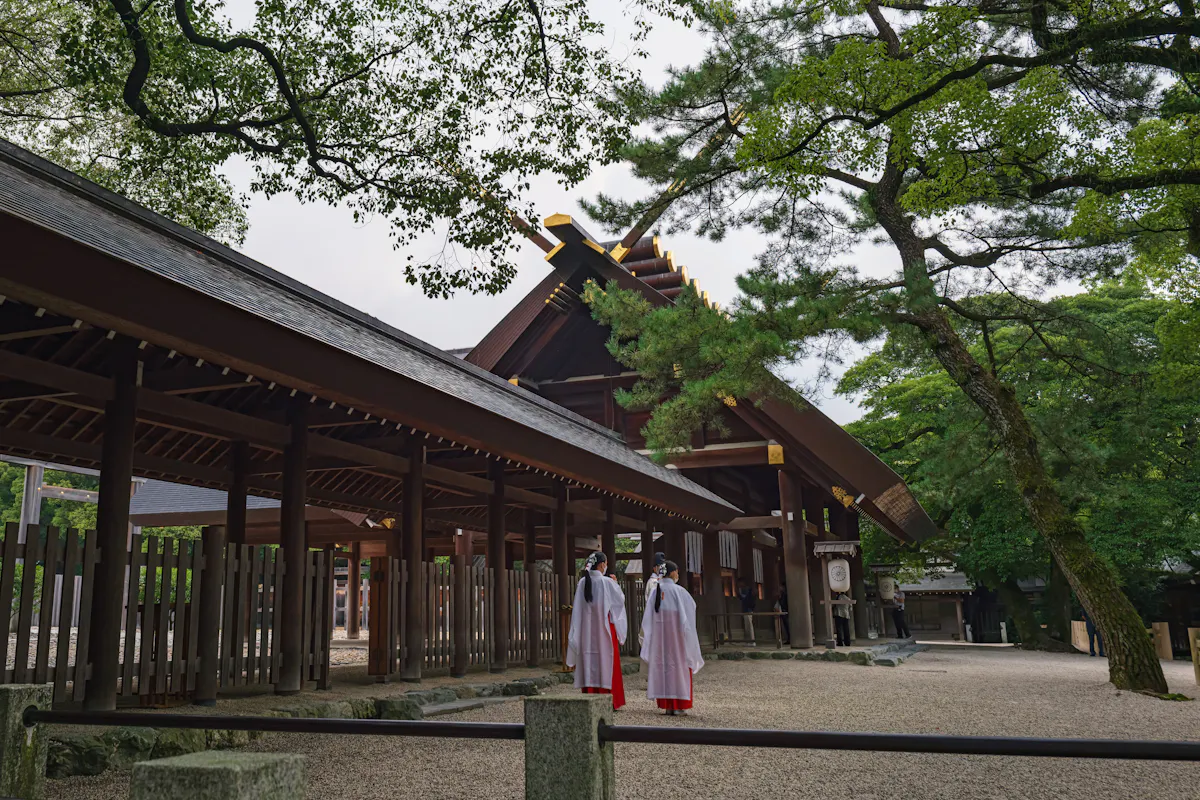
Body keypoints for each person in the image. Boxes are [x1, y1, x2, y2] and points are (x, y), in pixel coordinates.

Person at [641, 560, 704, 715]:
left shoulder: (655, 592)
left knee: (663, 668)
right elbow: (689, 615)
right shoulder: (680, 592)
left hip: (660, 640)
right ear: (672, 572)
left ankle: (668, 705)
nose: (678, 574)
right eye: (677, 571)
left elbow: (647, 620)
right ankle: (678, 705)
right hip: (677, 640)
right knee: (678, 668)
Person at [567, 552, 628, 709]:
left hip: (586, 630)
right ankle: (610, 700)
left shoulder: (582, 582)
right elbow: (619, 603)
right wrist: (616, 584)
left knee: (589, 659)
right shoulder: (606, 582)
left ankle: (590, 696)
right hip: (605, 629)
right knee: (607, 660)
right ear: (602, 565)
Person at [639, 552, 667, 647]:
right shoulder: (652, 582)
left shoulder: (662, 582)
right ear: (655, 568)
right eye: (660, 566)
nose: (661, 569)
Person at [737, 577, 757, 645]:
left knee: (749, 626)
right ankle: (748, 641)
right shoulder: (743, 589)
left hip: (748, 609)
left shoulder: (747, 589)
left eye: (739, 583)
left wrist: (740, 594)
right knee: (746, 627)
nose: (739, 584)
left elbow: (745, 598)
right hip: (745, 609)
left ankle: (752, 641)